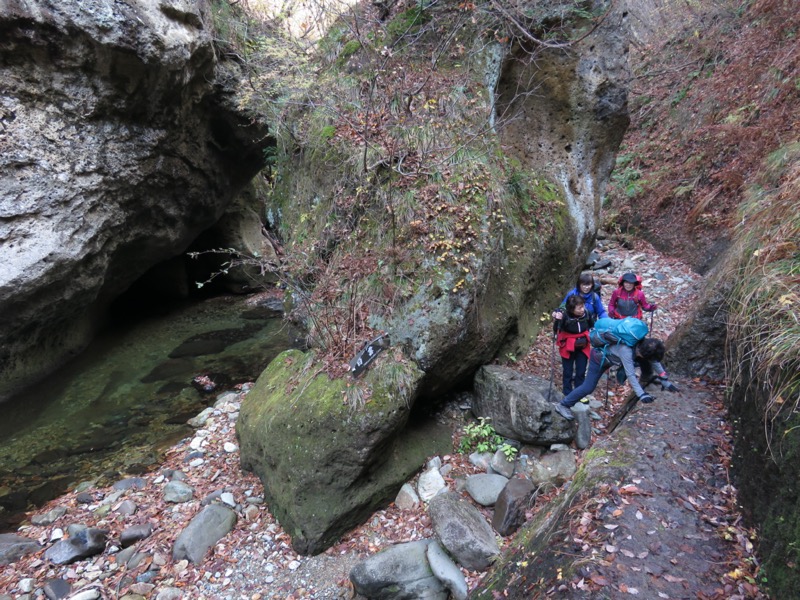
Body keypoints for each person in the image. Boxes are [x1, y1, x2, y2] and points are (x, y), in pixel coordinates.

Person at [552, 337, 678, 421]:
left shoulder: (642, 344)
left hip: (612, 358)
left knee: (645, 364)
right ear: (643, 353)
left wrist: (664, 379)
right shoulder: (627, 351)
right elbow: (630, 374)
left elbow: (654, 361)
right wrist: (641, 395)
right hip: (598, 359)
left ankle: (647, 381)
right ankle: (563, 405)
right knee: (588, 387)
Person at [553, 295, 593, 395]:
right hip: (568, 346)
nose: (582, 309)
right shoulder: (565, 317)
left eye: (583, 306)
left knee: (581, 370)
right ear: (571, 309)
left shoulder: (587, 314)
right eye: (579, 308)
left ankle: (578, 393)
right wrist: (557, 319)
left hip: (582, 345)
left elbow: (592, 325)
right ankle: (567, 392)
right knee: (568, 371)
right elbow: (557, 329)